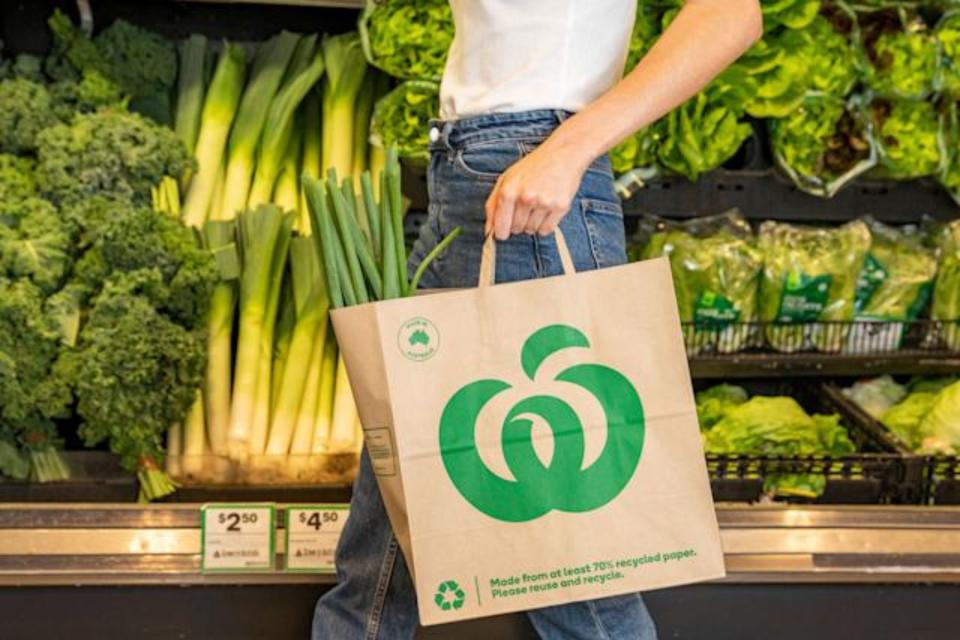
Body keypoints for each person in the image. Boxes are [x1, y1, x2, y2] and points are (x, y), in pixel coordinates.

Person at [314, 1, 762, 638]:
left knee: (573, 568)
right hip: (470, 174)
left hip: (531, 174)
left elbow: (731, 14)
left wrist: (569, 148)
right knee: (388, 524)